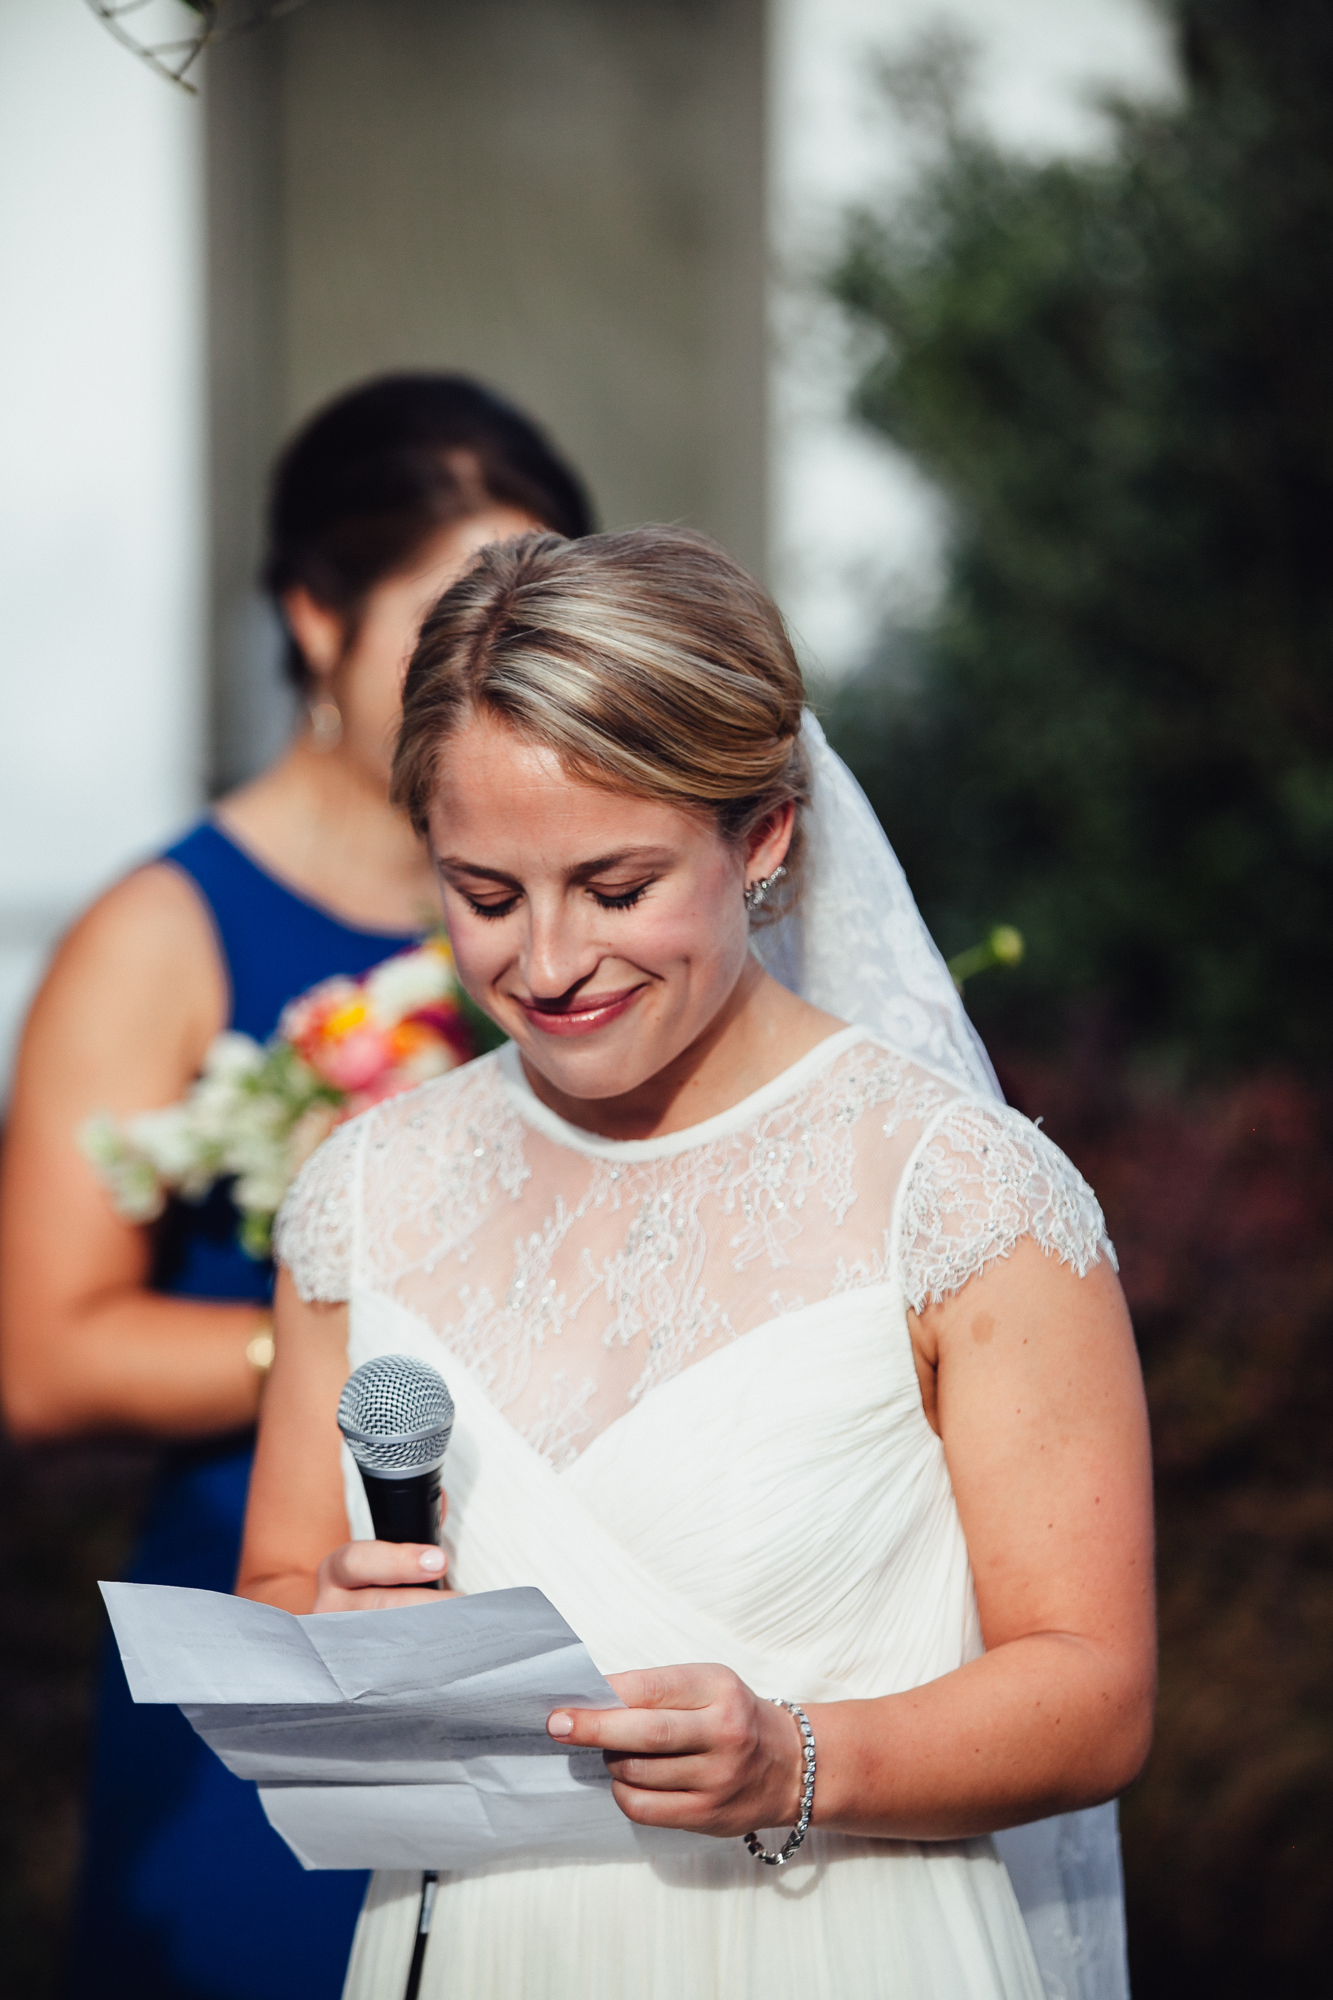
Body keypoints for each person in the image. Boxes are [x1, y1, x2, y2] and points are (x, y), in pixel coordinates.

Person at [238, 525, 1155, 2000]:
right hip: (476, 1949)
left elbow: (1094, 1695)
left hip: (843, 1942)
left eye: (613, 887)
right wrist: (334, 1638)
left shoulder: (960, 1193)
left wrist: (799, 1757)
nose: (543, 962)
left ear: (765, 837)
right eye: (484, 895)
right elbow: (284, 1582)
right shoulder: (366, 1190)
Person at [0, 375, 593, 2000]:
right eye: (450, 614)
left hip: (577, 1609)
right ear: (315, 616)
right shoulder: (163, 934)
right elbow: (45, 1358)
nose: (499, 662)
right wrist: (363, 1346)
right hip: (271, 1616)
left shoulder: (596, 945)